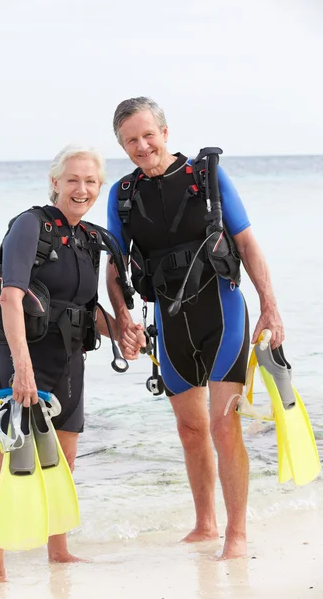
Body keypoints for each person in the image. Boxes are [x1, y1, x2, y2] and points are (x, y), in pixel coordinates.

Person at [106, 97, 285, 560]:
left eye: (148, 134)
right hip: (170, 324)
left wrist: (270, 307)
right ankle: (205, 524)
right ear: (122, 146)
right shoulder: (122, 195)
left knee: (225, 426)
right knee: (190, 428)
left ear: (165, 132)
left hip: (222, 314)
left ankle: (237, 533)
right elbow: (114, 264)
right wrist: (123, 315)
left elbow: (245, 241)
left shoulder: (206, 176)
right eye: (131, 140)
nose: (142, 146)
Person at [0, 145, 118, 582]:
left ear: (99, 187)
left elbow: (83, 306)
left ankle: (58, 552)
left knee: (66, 460)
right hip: (24, 359)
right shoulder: (30, 225)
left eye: (91, 181)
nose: (82, 189)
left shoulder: (89, 238)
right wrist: (20, 367)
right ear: (55, 182)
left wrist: (122, 331)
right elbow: (10, 296)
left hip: (69, 361)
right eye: (73, 180)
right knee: (12, 465)